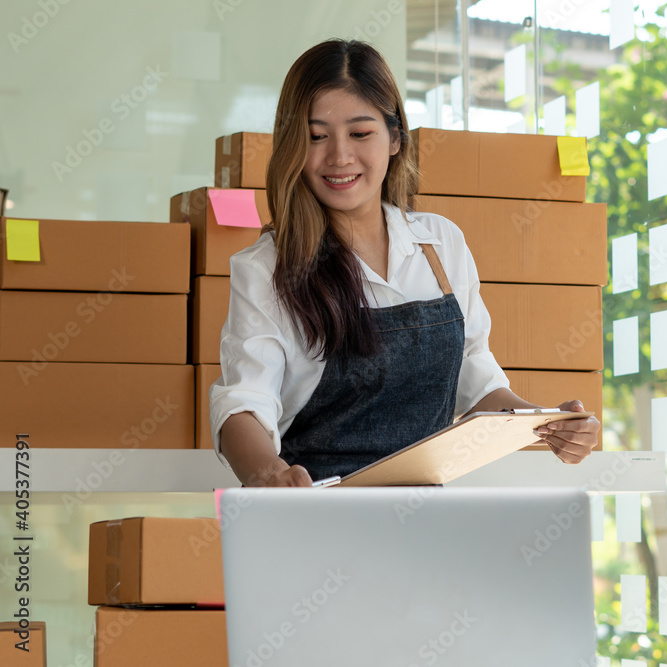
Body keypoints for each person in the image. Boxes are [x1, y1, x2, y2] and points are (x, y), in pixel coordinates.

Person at [209, 39, 601, 487]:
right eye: (316, 136)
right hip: (316, 515)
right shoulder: (268, 268)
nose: (339, 156)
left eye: (360, 133)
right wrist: (268, 474)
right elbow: (244, 402)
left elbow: (475, 378)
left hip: (424, 519)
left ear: (395, 138)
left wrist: (548, 424)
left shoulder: (441, 245)